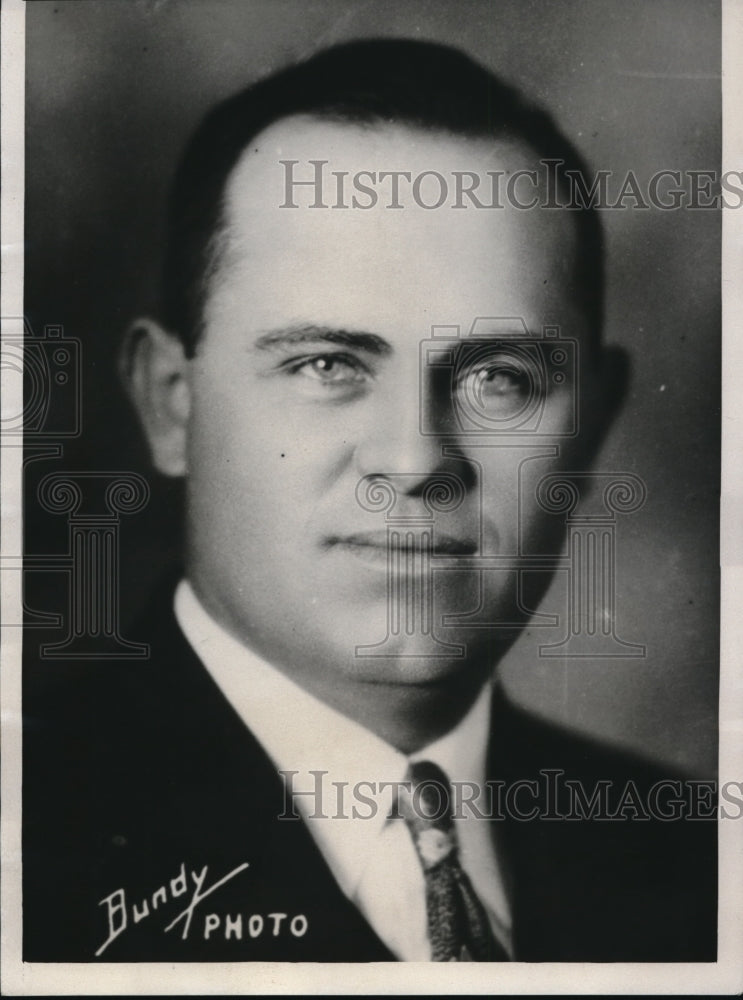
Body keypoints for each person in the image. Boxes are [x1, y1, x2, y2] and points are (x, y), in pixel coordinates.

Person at [22, 38, 716, 963]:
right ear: (170, 403)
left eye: (498, 379)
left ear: (591, 425)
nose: (415, 458)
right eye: (327, 365)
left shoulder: (700, 864)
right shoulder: (29, 843)